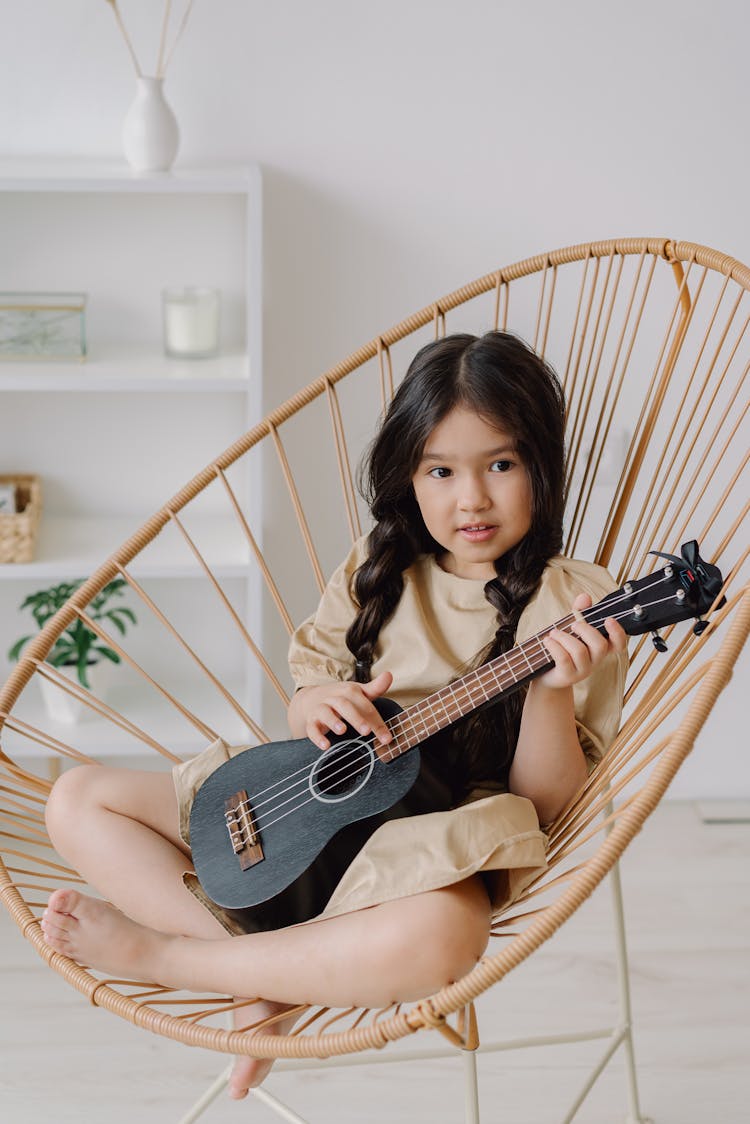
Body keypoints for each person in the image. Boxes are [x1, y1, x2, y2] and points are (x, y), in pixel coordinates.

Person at [41, 330, 628, 1099]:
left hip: (424, 853)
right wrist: (315, 701)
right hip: (309, 820)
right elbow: (307, 694)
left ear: (541, 467)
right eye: (441, 470)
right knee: (77, 798)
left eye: (502, 465)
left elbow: (550, 809)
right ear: (408, 474)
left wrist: (549, 694)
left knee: (448, 934)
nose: (471, 498)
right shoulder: (379, 565)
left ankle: (184, 961)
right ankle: (270, 977)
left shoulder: (573, 604)